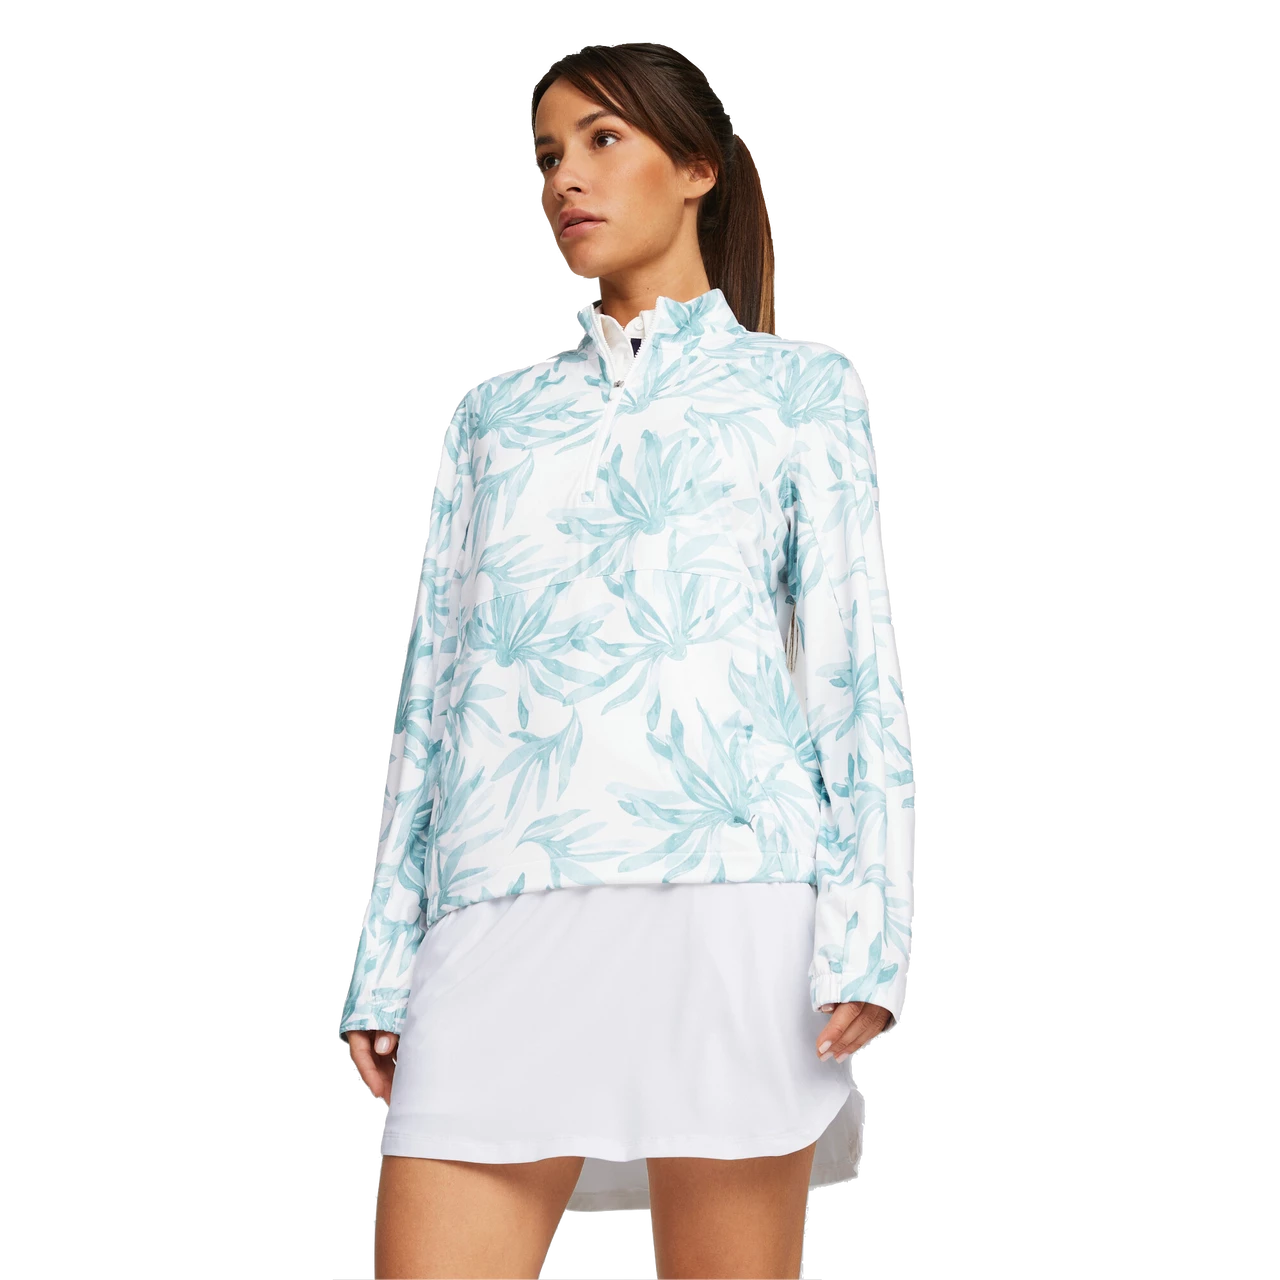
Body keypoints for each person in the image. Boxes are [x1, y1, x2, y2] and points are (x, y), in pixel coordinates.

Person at [340, 39, 914, 1280]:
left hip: (729, 903)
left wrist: (870, 932)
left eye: (603, 140)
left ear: (696, 165)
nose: (566, 178)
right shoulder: (493, 413)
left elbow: (854, 677)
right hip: (498, 899)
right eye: (548, 153)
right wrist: (383, 955)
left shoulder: (800, 389)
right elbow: (430, 692)